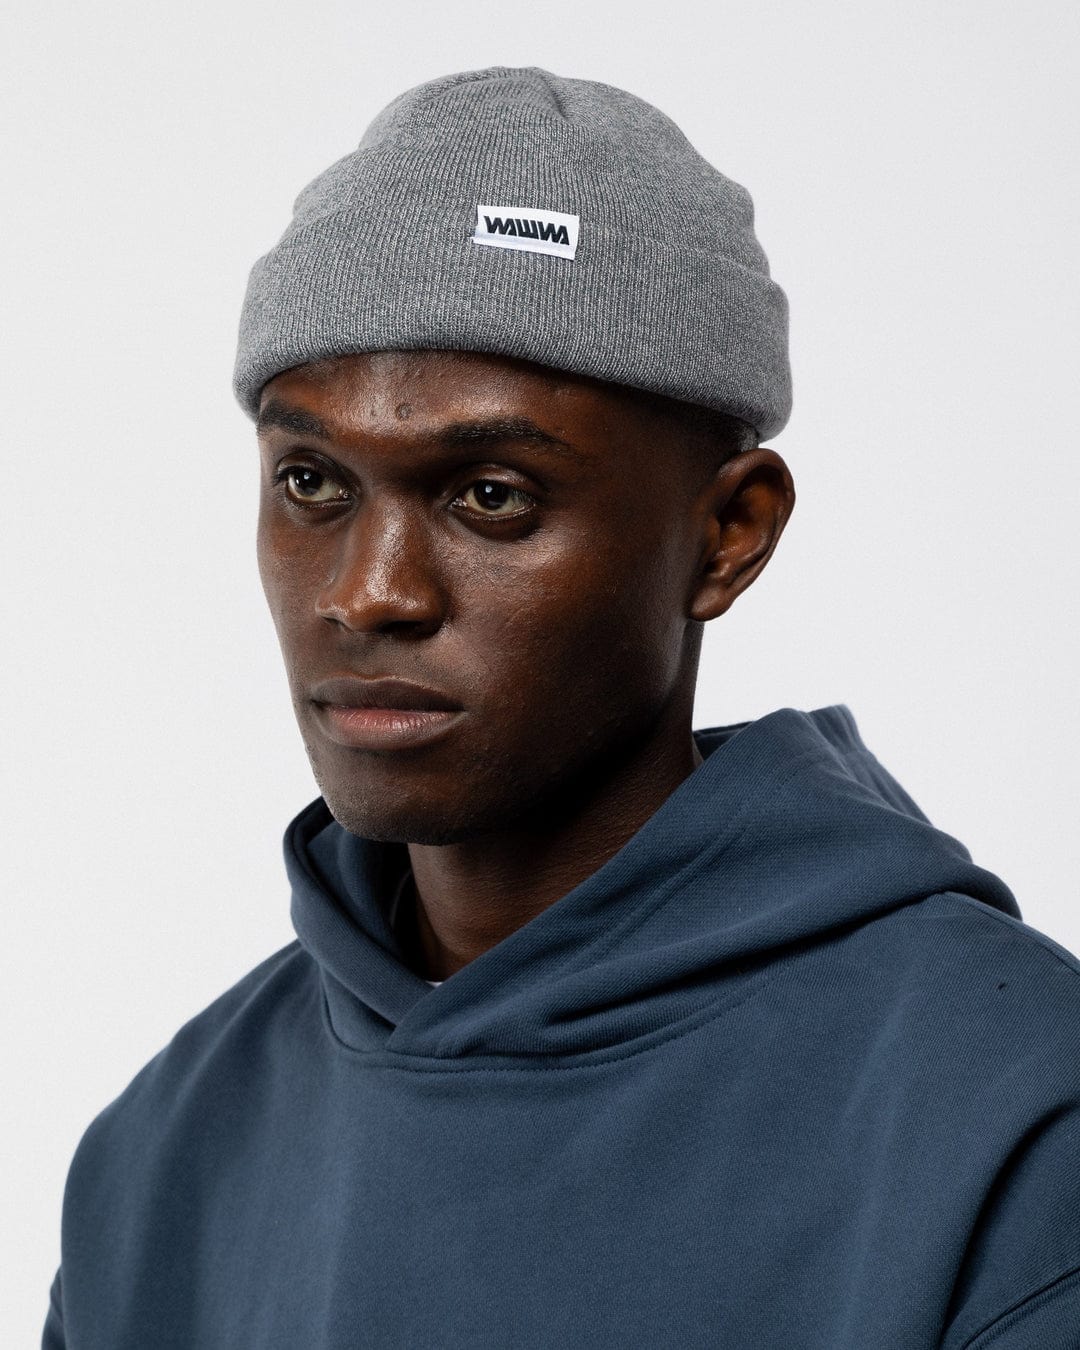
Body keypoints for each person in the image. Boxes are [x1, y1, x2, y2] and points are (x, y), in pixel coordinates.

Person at [44, 66, 1080, 1349]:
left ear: (729, 534)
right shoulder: (164, 1157)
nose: (369, 593)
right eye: (312, 481)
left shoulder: (1010, 1115)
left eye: (491, 496)